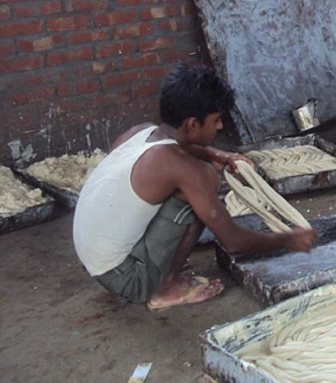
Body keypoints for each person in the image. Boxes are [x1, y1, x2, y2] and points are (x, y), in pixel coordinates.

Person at [73, 65, 317, 310]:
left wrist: (214, 153)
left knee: (188, 187)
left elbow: (178, 147)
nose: (220, 126)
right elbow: (234, 241)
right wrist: (288, 240)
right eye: (216, 120)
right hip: (129, 280)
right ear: (192, 124)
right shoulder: (183, 168)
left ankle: (157, 266)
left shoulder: (139, 133)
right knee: (198, 195)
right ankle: (165, 288)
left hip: (95, 262)